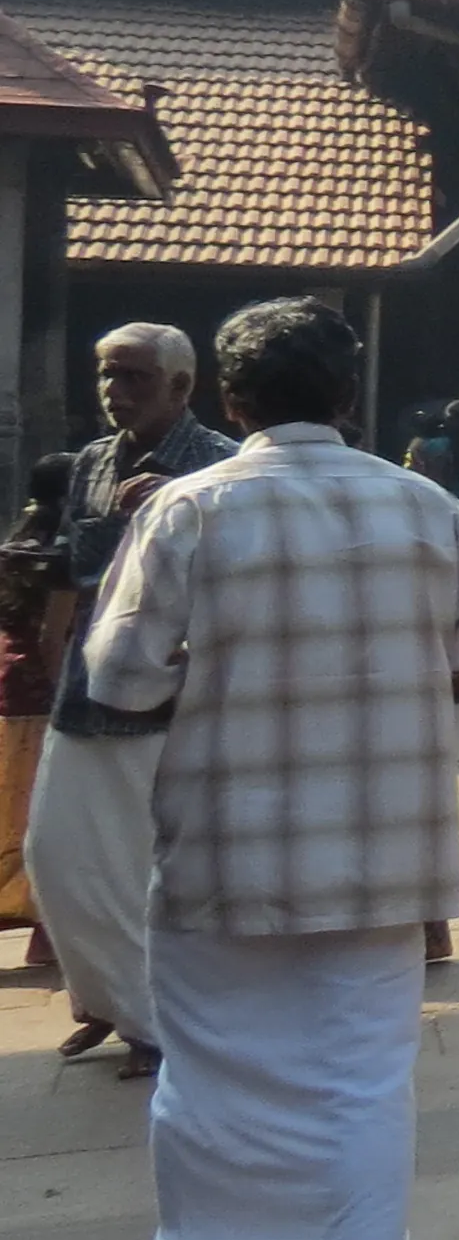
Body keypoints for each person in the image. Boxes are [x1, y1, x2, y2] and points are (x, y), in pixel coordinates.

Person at [84, 296, 459, 1240]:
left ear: (231, 404)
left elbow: (120, 680)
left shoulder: (191, 508)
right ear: (347, 397)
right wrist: (388, 688)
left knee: (212, 1091)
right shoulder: (422, 504)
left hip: (224, 851)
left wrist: (228, 680)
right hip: (384, 855)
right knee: (363, 1093)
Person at [30, 323, 238, 1071]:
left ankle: (152, 1020)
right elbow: (72, 565)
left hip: (170, 700)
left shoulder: (218, 467)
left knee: (150, 872)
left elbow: (234, 580)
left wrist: (167, 508)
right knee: (56, 857)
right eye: (106, 376)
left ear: (183, 387)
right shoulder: (90, 461)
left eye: (133, 379)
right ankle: (108, 997)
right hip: (86, 692)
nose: (114, 393)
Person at [1, 452, 67, 969]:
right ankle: (45, 936)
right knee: (44, 826)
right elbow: (54, 635)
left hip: (6, 692)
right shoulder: (62, 554)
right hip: (43, 699)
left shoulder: (14, 548)